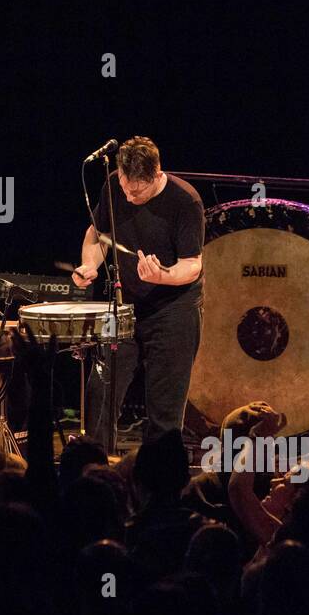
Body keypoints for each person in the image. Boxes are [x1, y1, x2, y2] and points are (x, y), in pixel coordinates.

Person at [72, 136, 204, 452]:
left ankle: (157, 484)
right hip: (125, 304)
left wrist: (163, 275)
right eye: (125, 186)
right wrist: (89, 265)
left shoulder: (186, 201)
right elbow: (97, 233)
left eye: (138, 190)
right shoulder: (113, 186)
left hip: (173, 308)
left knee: (164, 406)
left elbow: (192, 265)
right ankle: (95, 473)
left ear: (157, 174)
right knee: (100, 392)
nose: (129, 196)